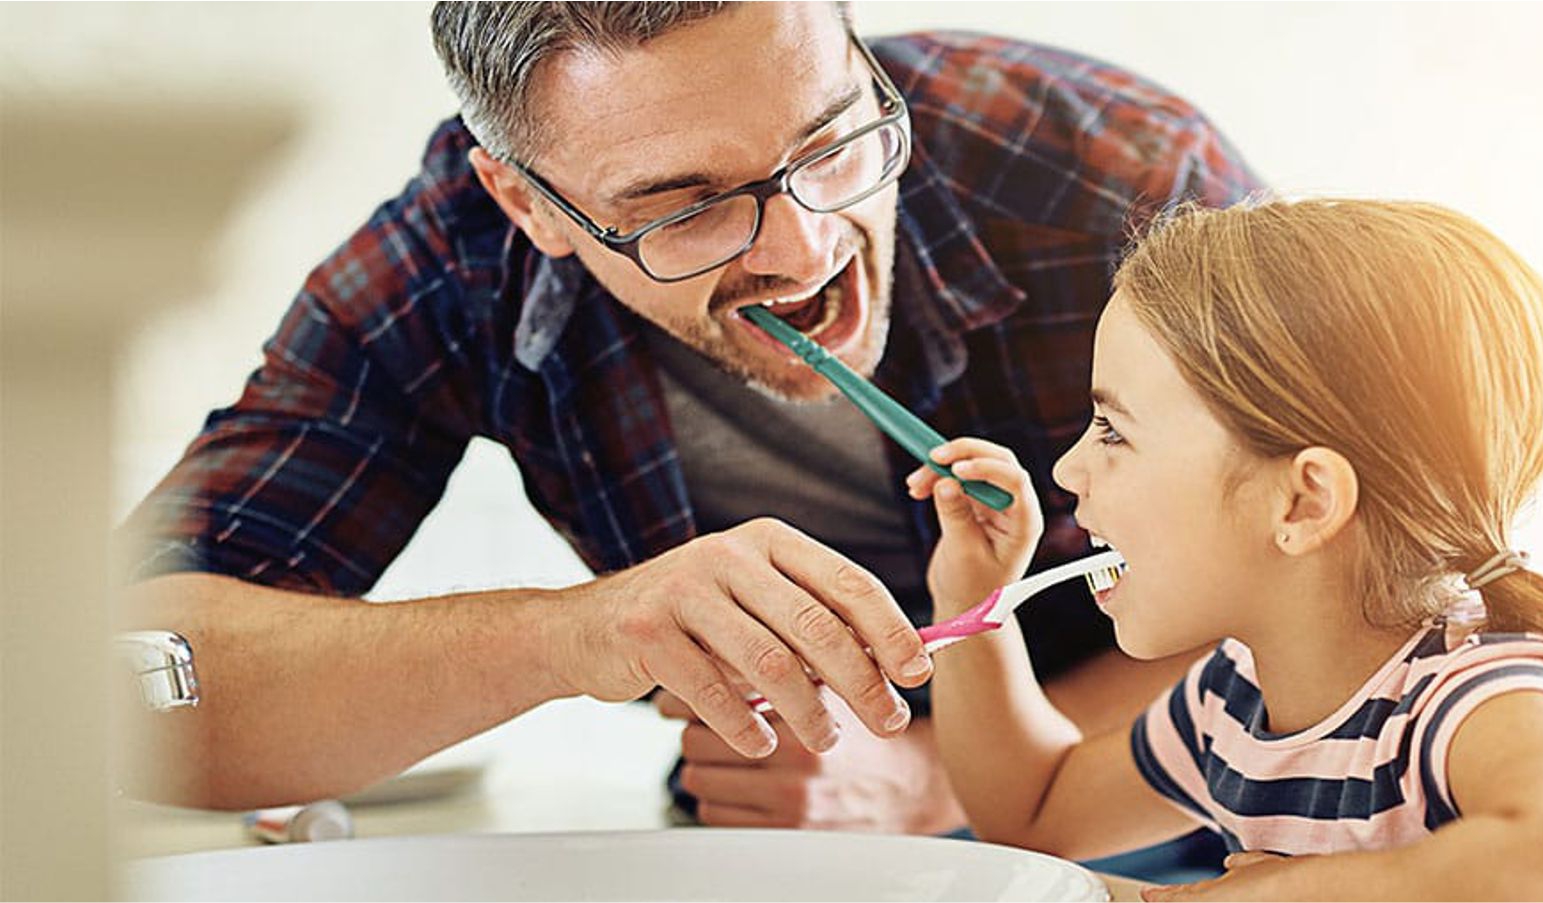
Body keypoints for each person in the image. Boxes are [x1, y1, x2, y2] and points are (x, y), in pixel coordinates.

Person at [118, 0, 1260, 861]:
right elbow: (130, 678)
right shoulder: (456, 264)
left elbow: (1360, 577)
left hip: (1184, 803)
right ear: (529, 206)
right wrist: (569, 636)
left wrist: (944, 777)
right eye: (686, 208)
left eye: (829, 143)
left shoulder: (1109, 167)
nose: (812, 252)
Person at [914, 198, 1543, 900]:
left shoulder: (1472, 692)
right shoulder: (1232, 698)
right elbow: (1039, 809)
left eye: (1113, 431)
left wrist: (1275, 890)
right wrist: (971, 596)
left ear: (1304, 501)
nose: (1068, 469)